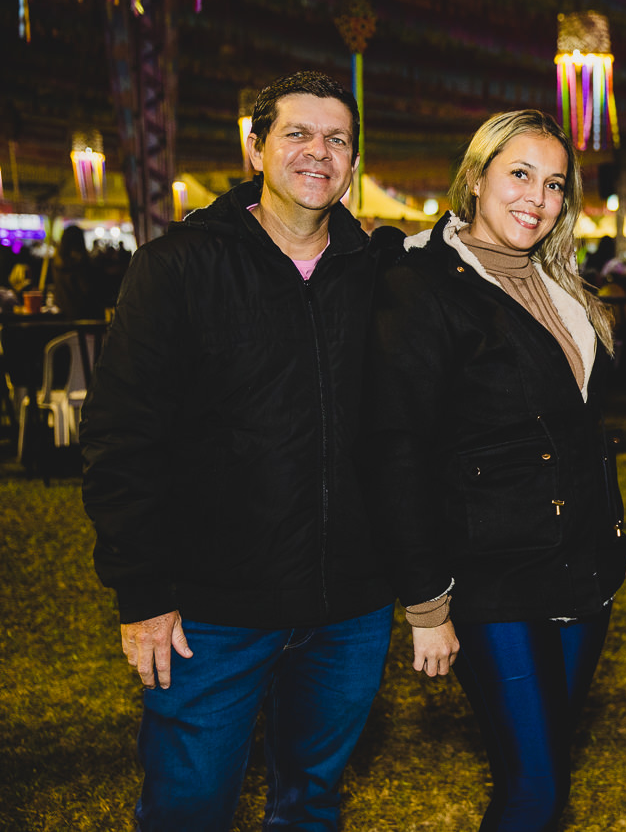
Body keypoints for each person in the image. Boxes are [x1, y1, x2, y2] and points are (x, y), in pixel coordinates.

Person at [80, 71, 393, 831]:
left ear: (353, 162)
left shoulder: (377, 275)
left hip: (349, 607)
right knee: (188, 809)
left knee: (312, 803)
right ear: (255, 149)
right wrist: (143, 592)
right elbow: (121, 439)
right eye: (297, 133)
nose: (319, 151)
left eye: (337, 139)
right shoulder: (177, 267)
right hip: (212, 611)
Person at [361, 109, 626, 831]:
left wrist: (609, 534)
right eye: (520, 174)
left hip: (579, 568)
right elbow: (398, 452)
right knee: (535, 789)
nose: (537, 198)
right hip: (491, 576)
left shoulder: (559, 283)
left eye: (554, 184)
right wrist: (426, 604)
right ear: (476, 178)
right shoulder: (421, 284)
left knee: (542, 775)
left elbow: (579, 431)